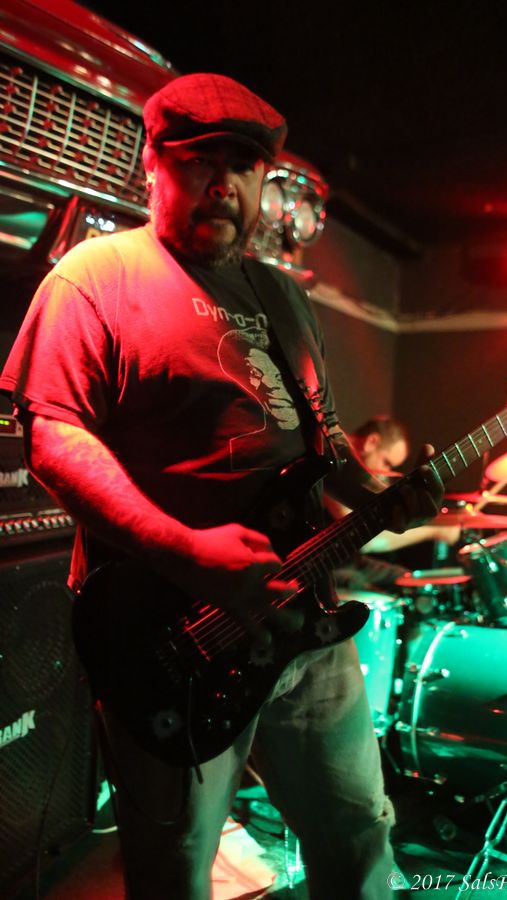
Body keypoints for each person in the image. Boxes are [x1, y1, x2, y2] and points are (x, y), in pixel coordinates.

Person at [0, 73, 445, 900]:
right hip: (176, 637)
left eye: (244, 167)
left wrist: (376, 492)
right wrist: (186, 551)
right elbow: (55, 441)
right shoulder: (97, 275)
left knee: (359, 833)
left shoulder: (282, 295)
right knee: (175, 866)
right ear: (153, 164)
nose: (225, 184)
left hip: (305, 624)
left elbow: (321, 437)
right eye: (201, 161)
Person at [327, 415, 461, 592]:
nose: (386, 472)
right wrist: (436, 531)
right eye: (386, 463)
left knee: (411, 582)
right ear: (371, 442)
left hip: (348, 561)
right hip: (324, 568)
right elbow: (364, 539)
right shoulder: (330, 457)